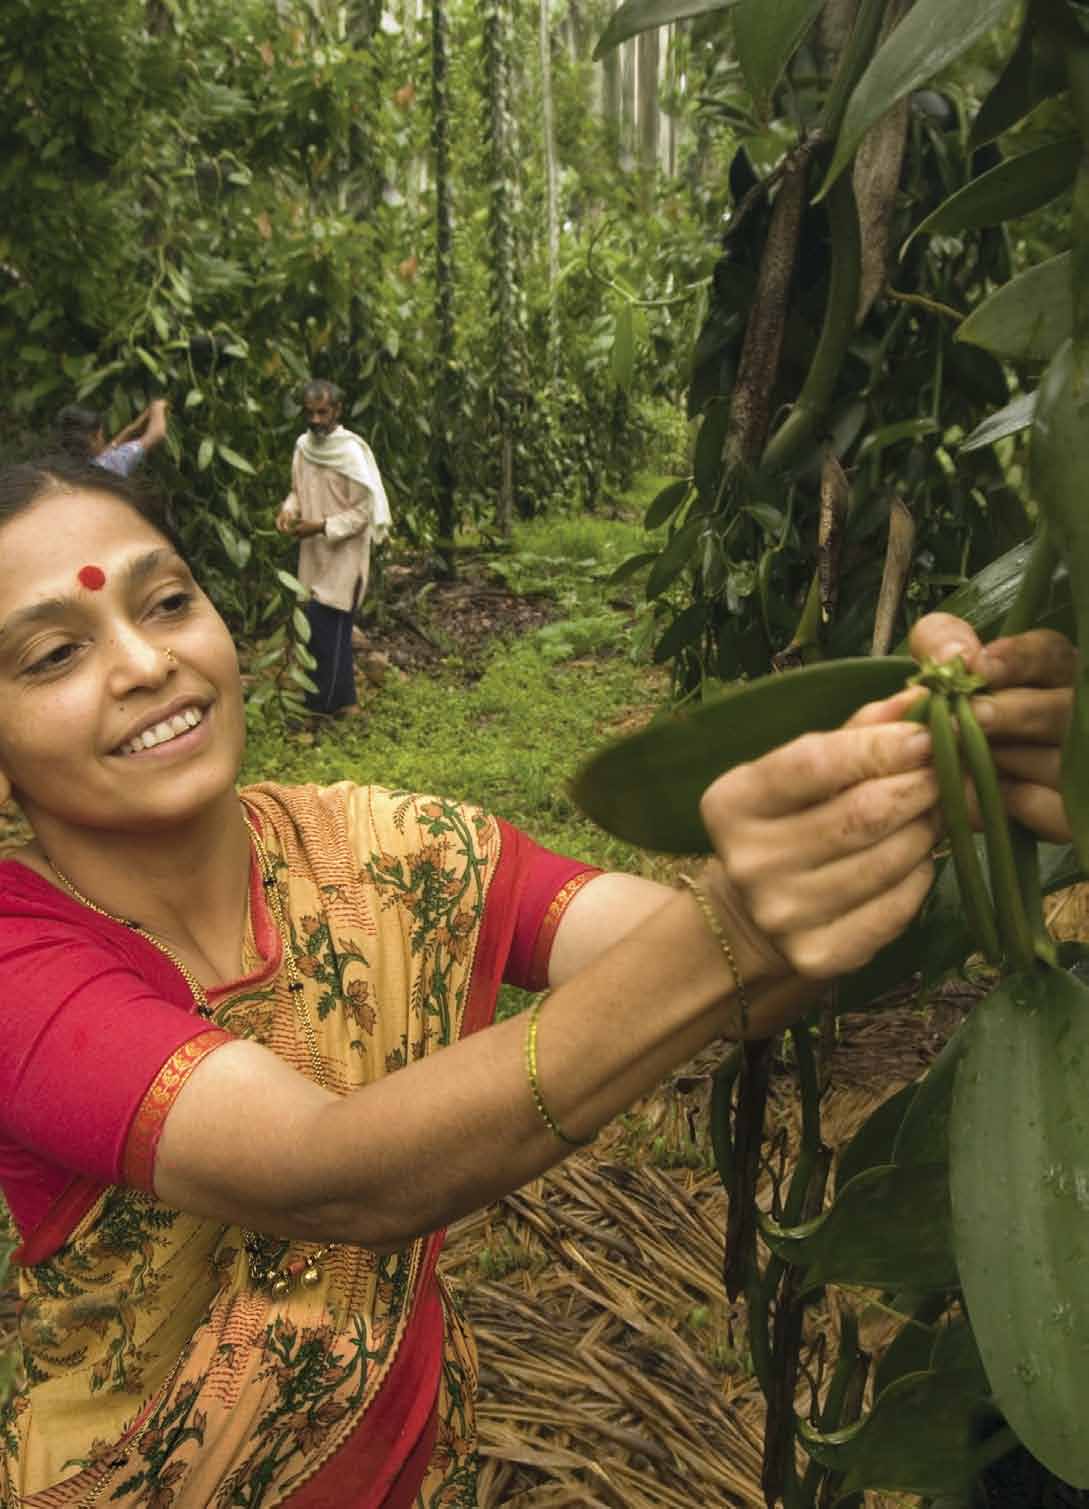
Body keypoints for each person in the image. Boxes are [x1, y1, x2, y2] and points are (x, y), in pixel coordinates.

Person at [0, 455, 1074, 1507]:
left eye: (170, 601)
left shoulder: (387, 847)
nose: (145, 664)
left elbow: (712, 971)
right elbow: (331, 1175)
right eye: (53, 656)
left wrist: (917, 767)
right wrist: (733, 928)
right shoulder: (19, 963)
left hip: (420, 1462)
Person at [276, 380, 393, 717]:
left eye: (322, 412)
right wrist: (288, 510)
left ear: (337, 411)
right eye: (309, 412)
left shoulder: (351, 453)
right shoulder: (303, 447)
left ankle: (332, 706)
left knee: (333, 629)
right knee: (313, 630)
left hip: (344, 557)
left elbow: (363, 513)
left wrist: (323, 527)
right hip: (313, 555)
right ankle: (335, 704)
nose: (315, 420)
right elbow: (297, 490)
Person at [54, 399, 170, 477]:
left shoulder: (64, 467)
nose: (103, 440)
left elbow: (105, 453)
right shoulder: (110, 464)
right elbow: (157, 434)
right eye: (101, 436)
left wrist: (130, 429)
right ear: (92, 439)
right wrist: (158, 406)